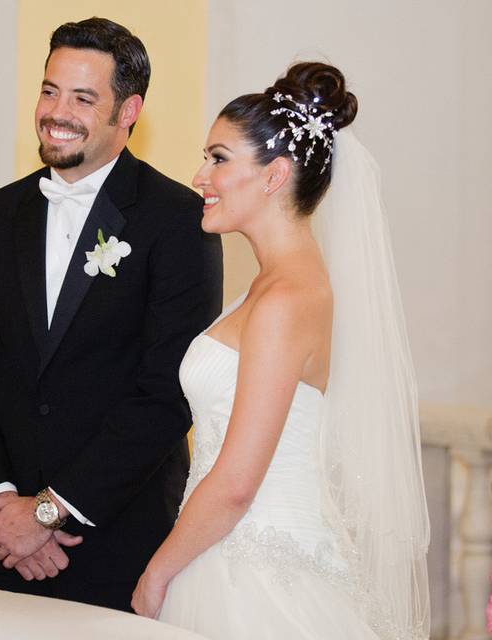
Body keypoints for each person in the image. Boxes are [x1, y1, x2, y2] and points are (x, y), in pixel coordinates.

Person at [131, 62, 431, 639]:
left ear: (274, 176)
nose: (200, 174)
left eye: (219, 158)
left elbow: (239, 480)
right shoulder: (277, 285)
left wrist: (156, 573)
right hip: (227, 554)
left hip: (253, 573)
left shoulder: (285, 297)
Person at [0, 17, 222, 611]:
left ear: (128, 112)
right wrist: (3, 506)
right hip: (7, 546)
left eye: (82, 98)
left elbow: (166, 394)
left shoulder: (178, 220)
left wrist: (49, 511)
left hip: (123, 543)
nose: (56, 111)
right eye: (49, 90)